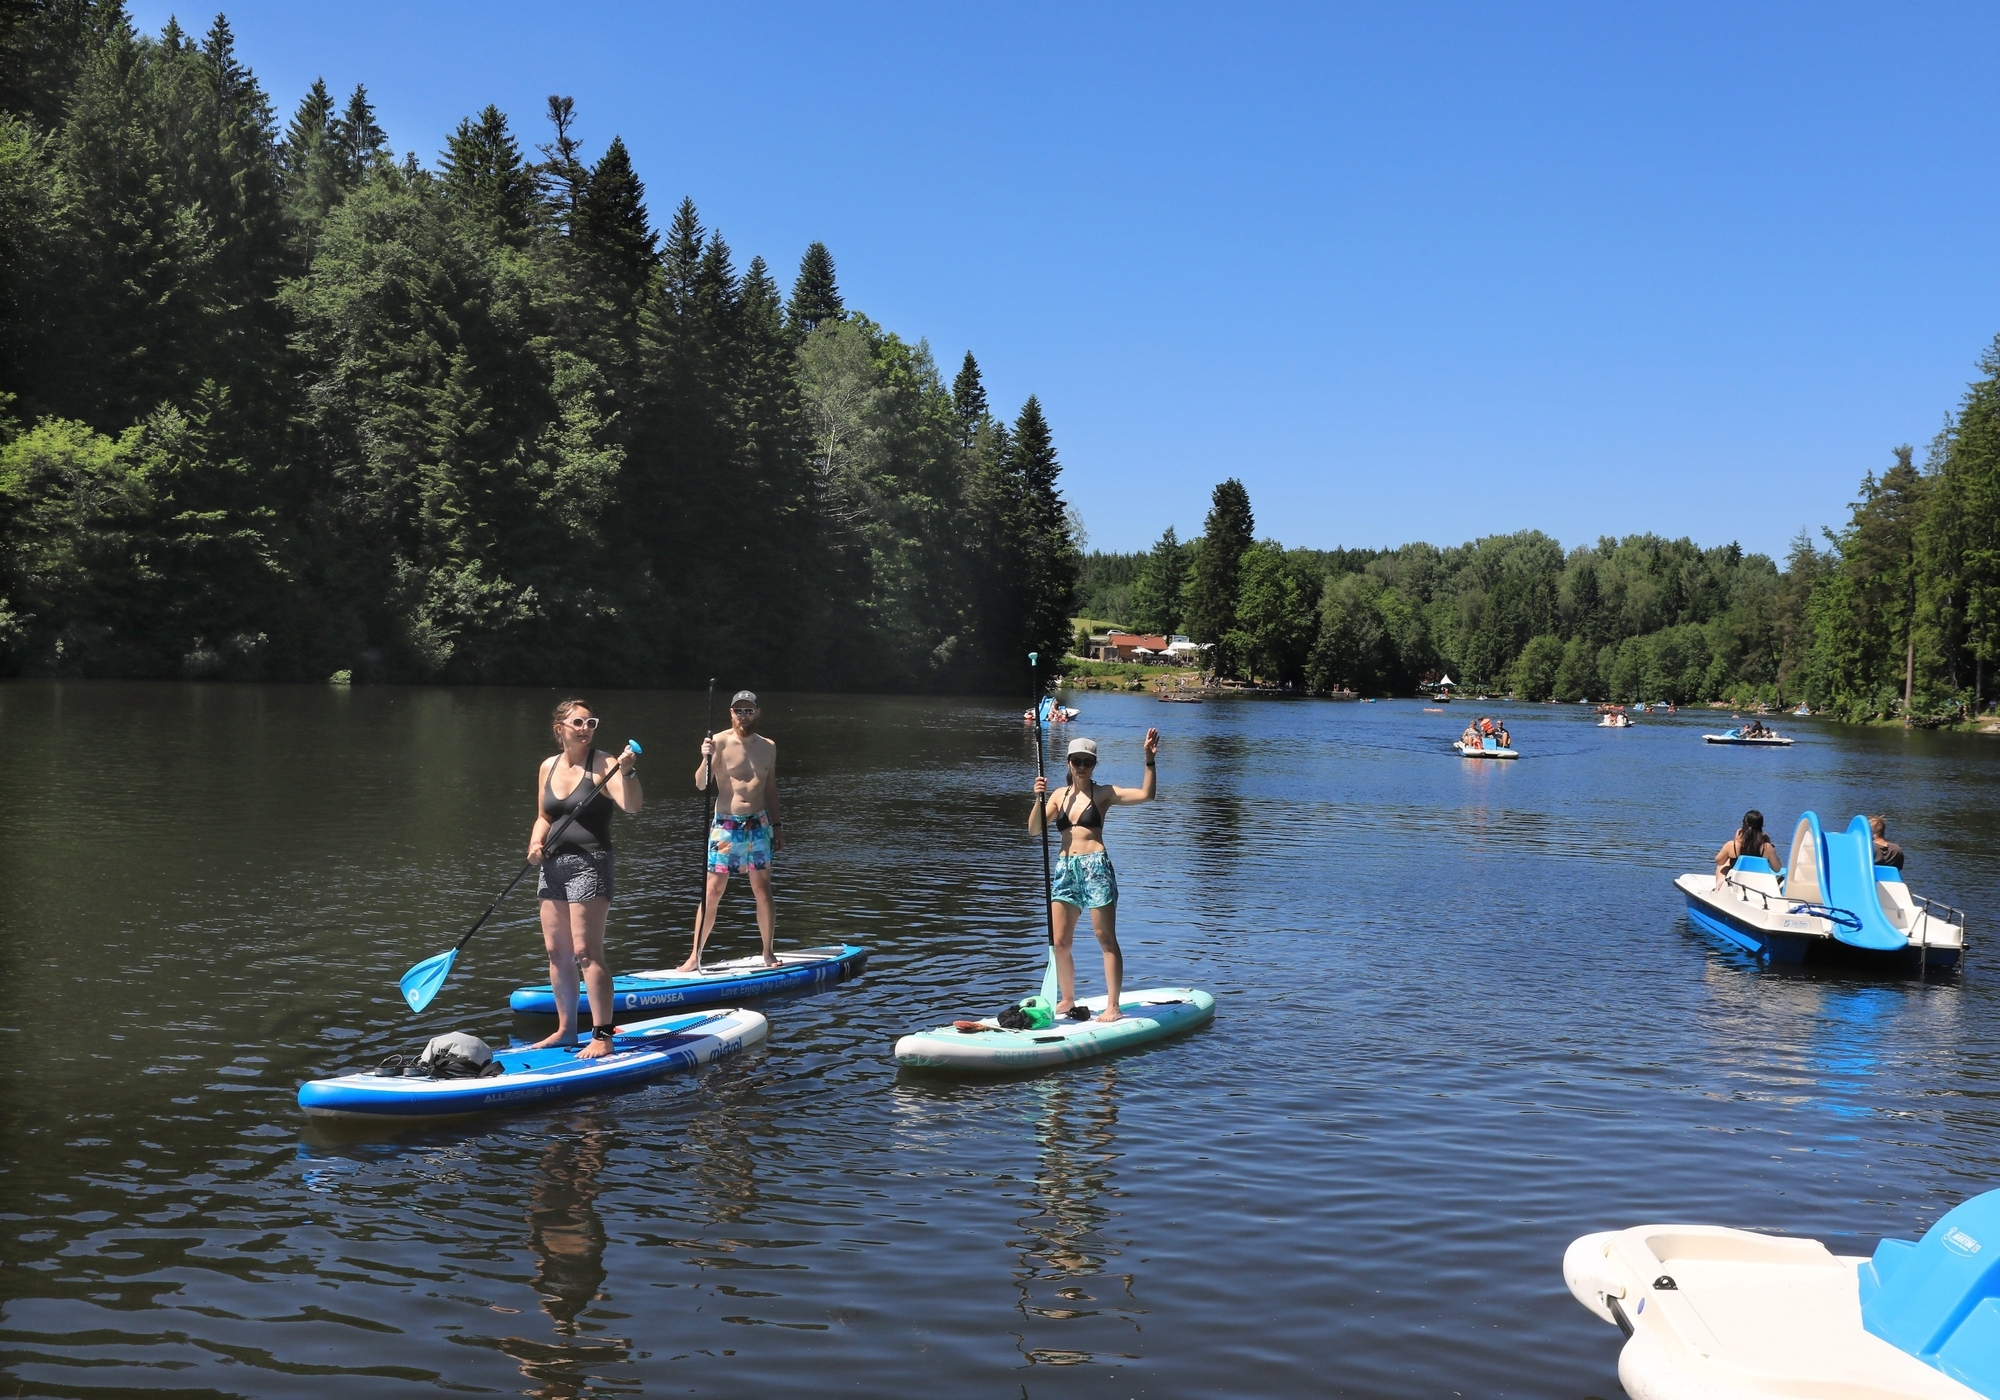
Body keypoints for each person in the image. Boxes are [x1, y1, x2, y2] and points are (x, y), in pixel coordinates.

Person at [528, 698, 642, 1058]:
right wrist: (534, 843)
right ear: (559, 728)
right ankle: (565, 1030)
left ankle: (602, 1036)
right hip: (553, 865)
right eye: (578, 722)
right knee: (556, 952)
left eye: (591, 722)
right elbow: (545, 816)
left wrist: (628, 772)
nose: (586, 729)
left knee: (586, 952)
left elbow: (632, 806)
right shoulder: (548, 766)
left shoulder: (604, 763)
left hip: (590, 863)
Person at [1029, 730, 1158, 1023]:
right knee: (1060, 940)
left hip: (1095, 867)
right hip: (1065, 870)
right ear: (1069, 763)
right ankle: (1067, 998)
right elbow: (1034, 829)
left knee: (1104, 937)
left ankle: (1113, 1005)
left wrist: (1149, 761)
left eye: (1088, 761)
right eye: (1077, 761)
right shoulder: (1058, 796)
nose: (1082, 766)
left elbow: (1146, 795)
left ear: (1094, 764)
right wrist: (1038, 798)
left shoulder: (1103, 793)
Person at [682, 690, 784, 970]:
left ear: (758, 713)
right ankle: (695, 956)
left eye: (748, 710)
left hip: (759, 823)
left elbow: (770, 788)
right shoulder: (718, 742)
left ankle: (768, 952)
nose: (743, 715)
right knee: (712, 890)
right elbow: (701, 784)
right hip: (727, 824)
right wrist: (705, 757)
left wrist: (777, 826)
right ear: (731, 713)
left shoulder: (768, 746)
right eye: (738, 710)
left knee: (763, 888)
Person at [1713, 808, 1780, 890]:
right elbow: (1777, 868)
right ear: (1761, 826)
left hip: (1736, 883)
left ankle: (1719, 886)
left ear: (1743, 824)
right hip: (1756, 885)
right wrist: (1769, 844)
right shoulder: (1766, 847)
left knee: (1725, 861)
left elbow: (1719, 861)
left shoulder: (1731, 845)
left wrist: (1735, 841)